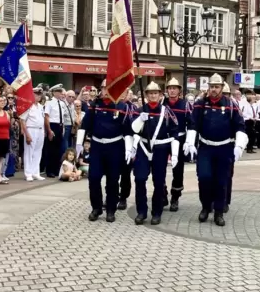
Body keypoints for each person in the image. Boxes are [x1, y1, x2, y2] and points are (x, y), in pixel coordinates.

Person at [184, 74, 246, 226]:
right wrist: (190, 142)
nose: (213, 89)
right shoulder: (200, 104)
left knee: (221, 181)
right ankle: (205, 207)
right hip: (205, 147)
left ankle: (218, 212)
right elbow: (193, 124)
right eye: (211, 86)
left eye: (216, 87)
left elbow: (240, 126)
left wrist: (239, 145)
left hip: (224, 148)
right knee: (204, 178)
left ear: (222, 88)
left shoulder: (231, 105)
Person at [75, 79, 132, 223]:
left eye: (109, 88)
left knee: (113, 180)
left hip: (115, 147)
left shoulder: (121, 107)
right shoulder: (94, 106)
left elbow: (127, 131)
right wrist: (78, 145)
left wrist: (129, 149)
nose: (106, 91)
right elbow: (84, 126)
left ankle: (111, 209)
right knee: (93, 178)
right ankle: (96, 208)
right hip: (97, 147)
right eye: (104, 88)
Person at [130, 82, 178, 226]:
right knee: (139, 179)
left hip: (160, 150)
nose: (153, 95)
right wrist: (140, 119)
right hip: (143, 148)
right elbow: (133, 129)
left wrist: (174, 153)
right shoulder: (139, 110)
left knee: (158, 182)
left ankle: (157, 213)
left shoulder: (167, 111)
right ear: (146, 95)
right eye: (150, 93)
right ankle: (141, 212)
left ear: (160, 95)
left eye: (155, 93)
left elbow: (175, 131)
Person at [163, 78, 193, 212]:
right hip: (163, 139)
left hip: (179, 139)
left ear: (179, 90)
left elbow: (192, 123)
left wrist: (189, 141)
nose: (172, 90)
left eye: (175, 88)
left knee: (177, 170)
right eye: (170, 88)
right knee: (159, 167)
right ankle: (162, 193)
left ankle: (175, 197)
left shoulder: (185, 105)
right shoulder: (162, 104)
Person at [21, 87, 45, 182]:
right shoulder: (28, 106)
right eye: (36, 94)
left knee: (38, 152)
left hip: (40, 130)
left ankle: (35, 172)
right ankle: (28, 173)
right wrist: (27, 134)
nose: (38, 96)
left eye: (39, 95)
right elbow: (23, 121)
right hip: (31, 129)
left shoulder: (40, 106)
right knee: (29, 152)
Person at [44, 84, 67, 178]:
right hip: (53, 125)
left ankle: (56, 169)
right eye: (58, 92)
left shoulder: (61, 103)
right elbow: (47, 116)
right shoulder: (49, 103)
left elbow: (63, 117)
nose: (60, 94)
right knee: (51, 149)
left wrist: (63, 128)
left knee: (58, 150)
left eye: (61, 92)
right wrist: (49, 130)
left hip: (60, 126)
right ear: (54, 92)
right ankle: (49, 170)